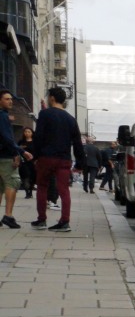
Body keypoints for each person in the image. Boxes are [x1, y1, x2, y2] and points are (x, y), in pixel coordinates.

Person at [31, 86, 85, 232]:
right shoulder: (71, 119)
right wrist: (80, 162)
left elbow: (38, 137)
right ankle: (64, 221)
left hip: (46, 157)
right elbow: (77, 143)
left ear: (52, 98)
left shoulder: (45, 114)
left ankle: (41, 220)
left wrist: (35, 156)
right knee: (64, 190)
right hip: (64, 159)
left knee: (42, 187)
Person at [0, 89, 23, 228]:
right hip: (6, 156)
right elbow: (7, 137)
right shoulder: (2, 116)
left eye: (11, 99)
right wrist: (18, 152)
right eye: (7, 99)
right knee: (12, 183)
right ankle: (8, 216)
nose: (10, 101)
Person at [18, 126, 37, 198]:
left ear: (32, 133)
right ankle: (27, 192)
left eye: (29, 132)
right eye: (25, 132)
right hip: (23, 162)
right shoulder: (21, 141)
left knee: (32, 177)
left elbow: (37, 151)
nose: (27, 133)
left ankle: (30, 191)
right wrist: (20, 148)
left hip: (33, 162)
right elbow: (16, 150)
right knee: (25, 176)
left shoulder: (35, 142)